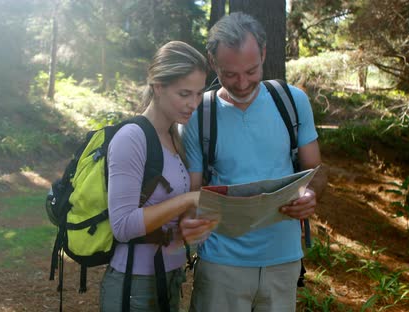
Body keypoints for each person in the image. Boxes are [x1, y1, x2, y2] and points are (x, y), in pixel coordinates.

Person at [180, 13, 328, 312]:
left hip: (283, 260)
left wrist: (310, 195)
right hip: (221, 264)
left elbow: (316, 171)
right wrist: (187, 217)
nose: (242, 83)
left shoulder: (292, 101)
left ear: (263, 53)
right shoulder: (200, 116)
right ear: (212, 61)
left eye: (251, 70)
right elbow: (192, 192)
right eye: (230, 73)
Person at [100, 41, 216, 312]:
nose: (193, 104)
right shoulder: (132, 138)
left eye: (199, 94)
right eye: (184, 93)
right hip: (135, 283)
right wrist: (188, 199)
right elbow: (123, 225)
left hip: (169, 275)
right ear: (158, 86)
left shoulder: (174, 136)